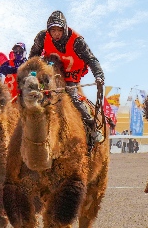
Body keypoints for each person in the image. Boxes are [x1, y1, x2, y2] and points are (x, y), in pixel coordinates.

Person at [29, 10, 105, 144]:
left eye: (59, 30)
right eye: (53, 30)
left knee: (73, 96)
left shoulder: (77, 41)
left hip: (71, 73)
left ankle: (92, 127)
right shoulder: (42, 37)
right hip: (52, 70)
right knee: (36, 94)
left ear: (64, 29)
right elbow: (33, 56)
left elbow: (91, 59)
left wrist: (99, 75)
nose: (56, 34)